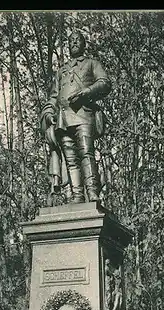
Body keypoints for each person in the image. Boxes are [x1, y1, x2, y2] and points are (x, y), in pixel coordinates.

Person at [41, 30, 112, 203]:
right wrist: (49, 113)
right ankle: (77, 195)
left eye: (77, 40)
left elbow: (105, 83)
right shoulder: (61, 71)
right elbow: (53, 97)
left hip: (83, 115)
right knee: (70, 159)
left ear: (83, 44)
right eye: (71, 41)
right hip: (63, 120)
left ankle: (93, 192)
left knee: (86, 153)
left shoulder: (91, 64)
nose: (73, 43)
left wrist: (86, 92)